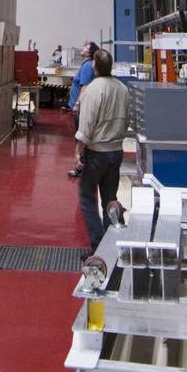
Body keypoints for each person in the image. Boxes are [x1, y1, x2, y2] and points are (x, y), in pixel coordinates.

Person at [73, 48, 130, 252]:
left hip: (97, 153)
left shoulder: (93, 89)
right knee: (110, 199)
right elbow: (127, 119)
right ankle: (112, 245)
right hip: (116, 151)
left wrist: (78, 152)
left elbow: (86, 125)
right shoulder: (122, 88)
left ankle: (98, 245)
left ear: (94, 66)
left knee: (87, 198)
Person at [66, 42, 97, 177]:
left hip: (82, 108)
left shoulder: (87, 66)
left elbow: (84, 87)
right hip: (81, 108)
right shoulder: (86, 64)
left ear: (89, 52)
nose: (83, 48)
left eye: (86, 47)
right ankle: (82, 166)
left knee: (82, 138)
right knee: (80, 136)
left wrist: (78, 103)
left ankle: (81, 166)